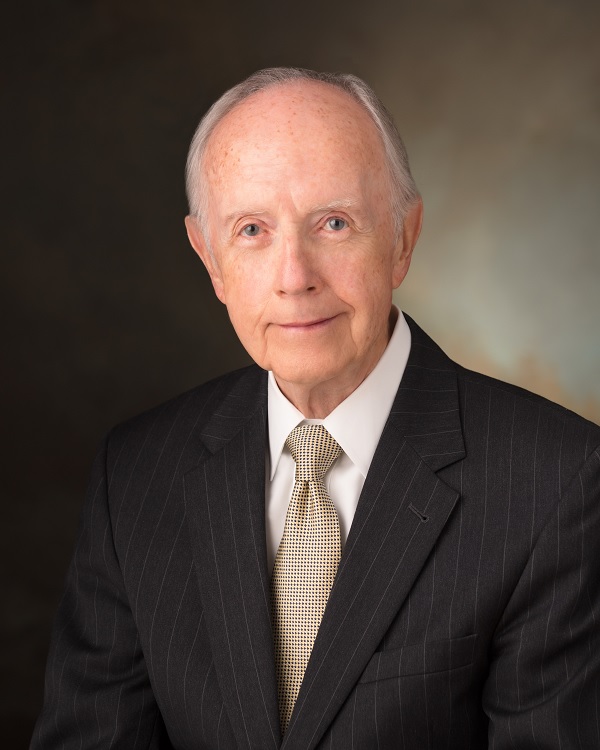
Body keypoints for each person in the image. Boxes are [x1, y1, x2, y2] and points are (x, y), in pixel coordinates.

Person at [32, 67, 600, 750]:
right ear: (209, 258)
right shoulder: (135, 476)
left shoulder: (556, 483)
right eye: (251, 230)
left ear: (403, 238)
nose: (295, 276)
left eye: (334, 223)